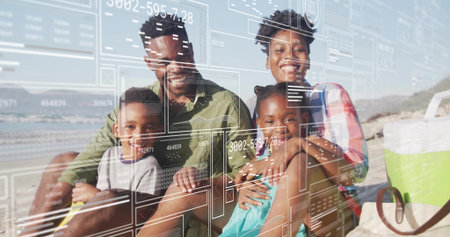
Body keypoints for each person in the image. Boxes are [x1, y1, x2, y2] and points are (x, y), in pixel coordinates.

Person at [21, 14, 254, 236]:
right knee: (64, 163)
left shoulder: (227, 105)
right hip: (136, 197)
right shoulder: (139, 103)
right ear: (149, 63)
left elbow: (244, 174)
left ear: (191, 51)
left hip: (182, 203)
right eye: (164, 62)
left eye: (182, 56)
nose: (176, 68)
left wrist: (202, 178)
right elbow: (89, 158)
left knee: (109, 198)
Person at [236, 9, 368, 235]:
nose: (289, 56)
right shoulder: (263, 109)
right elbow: (263, 165)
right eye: (279, 50)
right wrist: (246, 184)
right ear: (268, 61)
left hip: (331, 209)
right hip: (275, 210)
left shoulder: (329, 95)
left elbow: (357, 171)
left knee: (300, 162)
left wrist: (297, 146)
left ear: (308, 58)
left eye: (299, 50)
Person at [55, 87, 163, 231]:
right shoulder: (110, 155)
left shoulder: (150, 168)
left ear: (159, 131)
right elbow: (102, 193)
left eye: (149, 128)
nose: (139, 136)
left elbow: (141, 215)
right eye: (130, 126)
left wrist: (94, 196)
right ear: (116, 130)